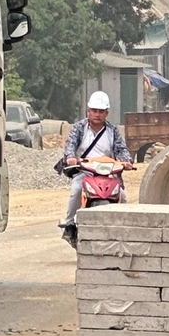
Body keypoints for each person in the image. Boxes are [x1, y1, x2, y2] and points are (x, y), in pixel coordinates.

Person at [59, 91, 133, 246]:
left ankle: (122, 229)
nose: (97, 115)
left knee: (122, 195)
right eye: (94, 111)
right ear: (88, 111)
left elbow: (122, 149)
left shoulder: (113, 131)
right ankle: (70, 225)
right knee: (77, 190)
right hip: (85, 171)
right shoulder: (79, 128)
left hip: (108, 173)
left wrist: (126, 161)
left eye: (101, 111)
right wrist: (71, 157)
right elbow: (70, 145)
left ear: (107, 113)